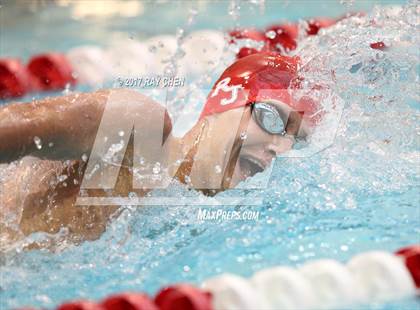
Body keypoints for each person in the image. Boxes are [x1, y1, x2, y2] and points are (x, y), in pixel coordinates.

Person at [0, 52, 318, 247]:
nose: (279, 147)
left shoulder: (188, 221)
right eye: (273, 119)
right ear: (223, 105)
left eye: (294, 140)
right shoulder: (141, 128)